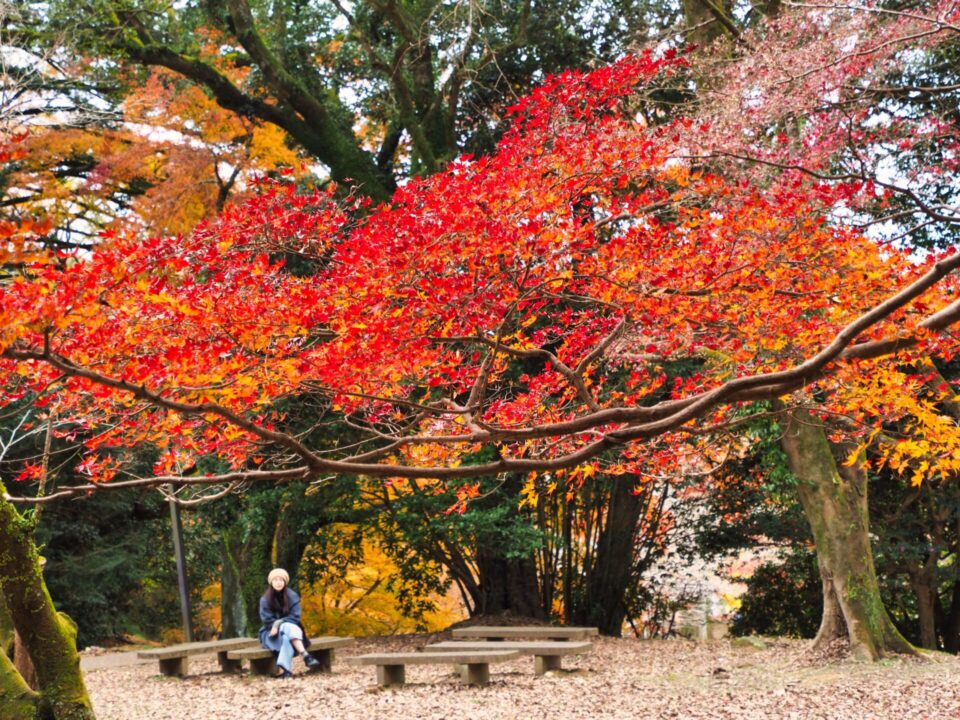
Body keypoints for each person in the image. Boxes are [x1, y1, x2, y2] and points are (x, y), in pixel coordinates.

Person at [258, 568, 321, 678]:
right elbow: (267, 621)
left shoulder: (292, 596)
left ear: (285, 582)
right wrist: (277, 624)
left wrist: (279, 622)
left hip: (292, 632)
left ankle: (287, 672)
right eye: (275, 580)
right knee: (287, 627)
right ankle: (305, 655)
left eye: (281, 580)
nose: (278, 582)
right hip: (271, 634)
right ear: (271, 582)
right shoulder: (265, 599)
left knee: (287, 635)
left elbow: (295, 617)